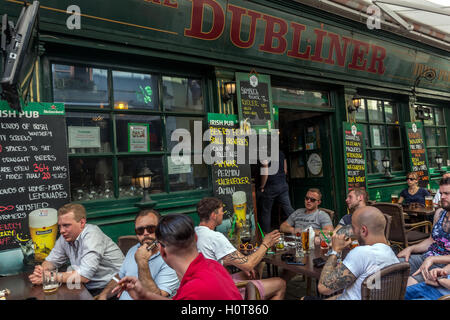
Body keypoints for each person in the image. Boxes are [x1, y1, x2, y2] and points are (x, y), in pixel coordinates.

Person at [113, 214, 242, 300]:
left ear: (162, 251)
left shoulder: (194, 290)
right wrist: (145, 295)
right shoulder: (214, 266)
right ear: (195, 239)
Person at [195, 197, 286, 300]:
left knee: (252, 274)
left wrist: (232, 263)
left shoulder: (195, 233)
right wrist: (265, 244)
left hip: (206, 286)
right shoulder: (215, 237)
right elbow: (248, 264)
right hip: (219, 290)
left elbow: (208, 259)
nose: (223, 214)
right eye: (221, 211)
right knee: (280, 283)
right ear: (213, 215)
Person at [28, 203, 124, 296]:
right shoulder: (65, 237)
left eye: (66, 225)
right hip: (88, 288)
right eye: (60, 226)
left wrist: (50, 277)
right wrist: (42, 270)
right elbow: (51, 261)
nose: (61, 230)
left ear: (82, 223)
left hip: (113, 288)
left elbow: (84, 276)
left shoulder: (92, 236)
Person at [314, 206, 399, 300]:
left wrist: (335, 251)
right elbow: (372, 289)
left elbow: (323, 288)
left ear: (363, 230)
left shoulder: (362, 253)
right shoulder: (391, 254)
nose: (351, 232)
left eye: (353, 228)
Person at [95, 209, 179, 300]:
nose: (145, 233)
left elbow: (156, 297)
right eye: (140, 230)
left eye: (151, 229)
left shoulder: (171, 257)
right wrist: (103, 295)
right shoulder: (133, 249)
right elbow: (120, 276)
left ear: (161, 229)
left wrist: (142, 261)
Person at [397, 177, 450, 287]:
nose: (442, 197)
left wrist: (433, 259)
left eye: (447, 193)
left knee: (405, 286)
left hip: (442, 267)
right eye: (441, 193)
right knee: (391, 267)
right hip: (425, 257)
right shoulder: (440, 213)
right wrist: (411, 248)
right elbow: (431, 240)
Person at [258, 149, 294, 233]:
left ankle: (266, 235)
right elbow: (285, 170)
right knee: (288, 209)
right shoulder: (281, 152)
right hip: (282, 184)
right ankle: (301, 229)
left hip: (271, 186)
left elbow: (265, 170)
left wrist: (262, 186)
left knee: (266, 212)